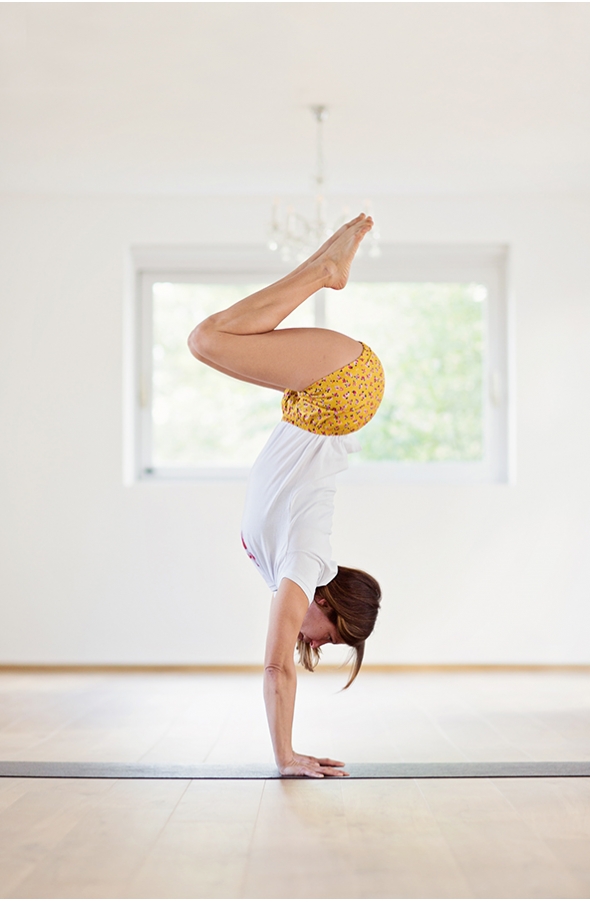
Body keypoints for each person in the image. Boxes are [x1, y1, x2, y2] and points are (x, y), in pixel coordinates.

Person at [188, 214, 384, 777]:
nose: (316, 648)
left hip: (325, 399)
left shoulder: (288, 567)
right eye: (330, 640)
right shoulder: (304, 563)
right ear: (329, 606)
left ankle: (323, 267)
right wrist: (286, 756)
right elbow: (278, 669)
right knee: (206, 340)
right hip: (338, 396)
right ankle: (323, 269)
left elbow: (281, 662)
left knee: (211, 340)